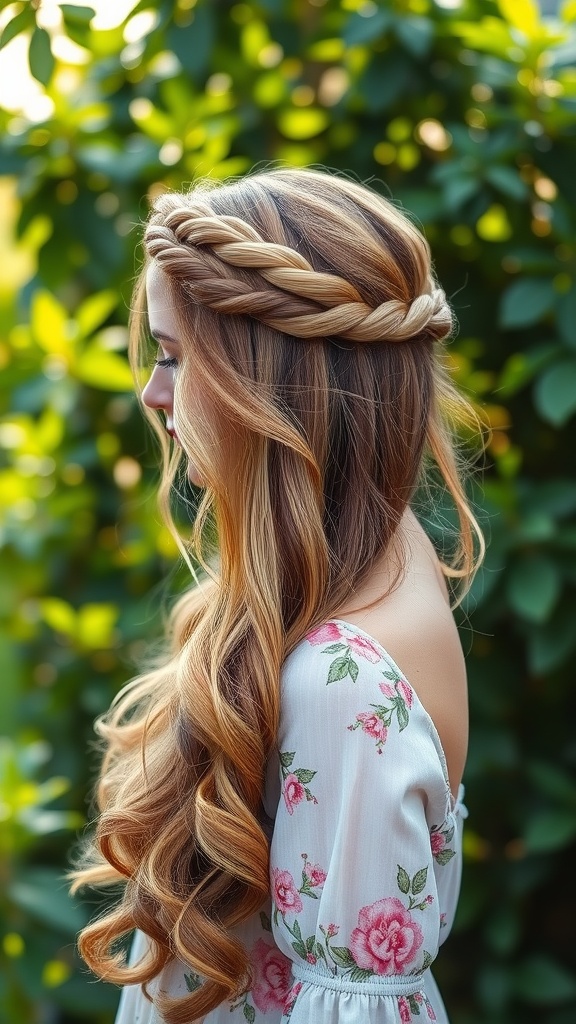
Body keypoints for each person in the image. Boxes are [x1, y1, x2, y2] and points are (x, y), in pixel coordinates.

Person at [70, 167, 483, 1024]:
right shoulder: (367, 565)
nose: (152, 394)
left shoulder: (344, 682)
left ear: (273, 389)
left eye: (177, 358)